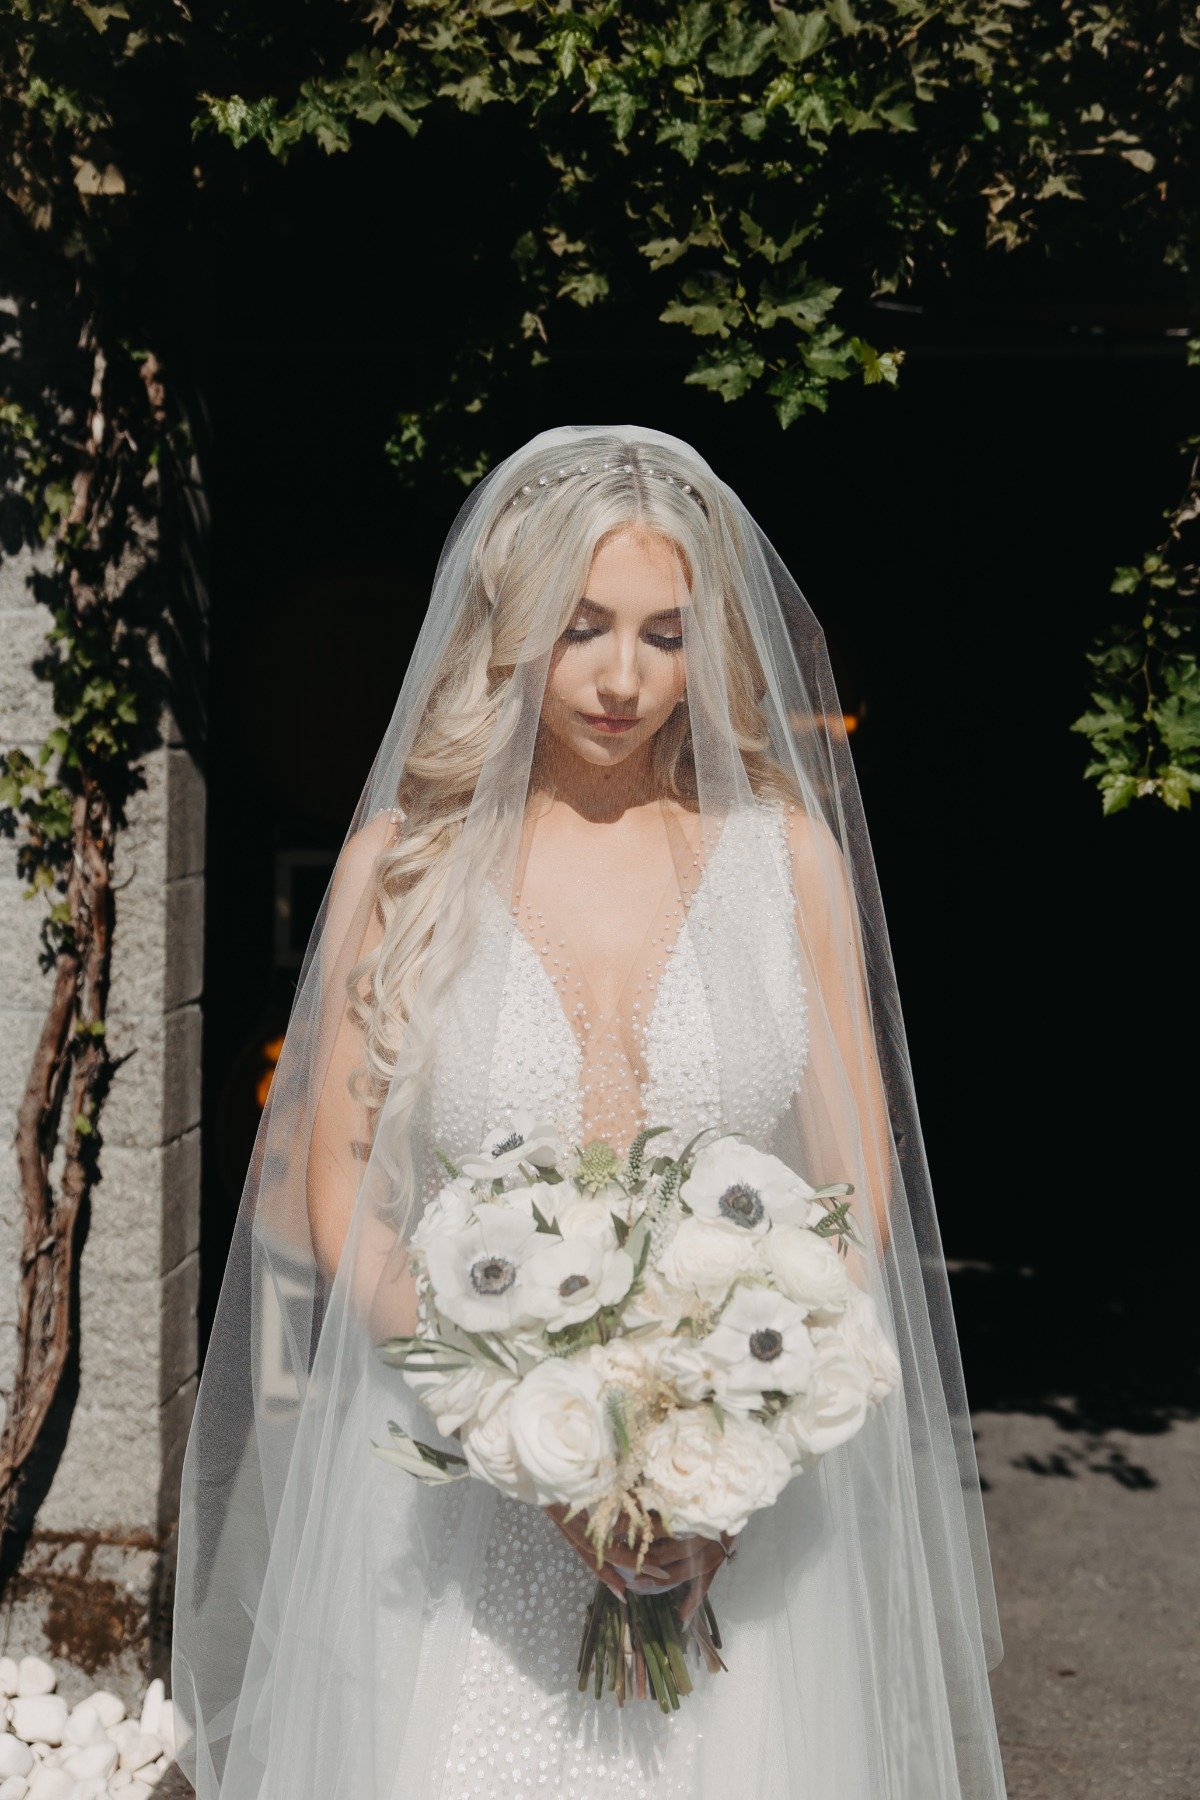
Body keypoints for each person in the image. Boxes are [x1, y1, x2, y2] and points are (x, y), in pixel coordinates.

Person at [172, 425, 1008, 1798]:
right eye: (581, 630)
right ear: (509, 632)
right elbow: (338, 1196)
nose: (625, 679)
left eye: (665, 635)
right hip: (463, 1499)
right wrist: (530, 1435)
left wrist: (730, 1442)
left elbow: (859, 1176)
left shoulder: (783, 859)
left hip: (741, 1519)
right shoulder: (404, 865)